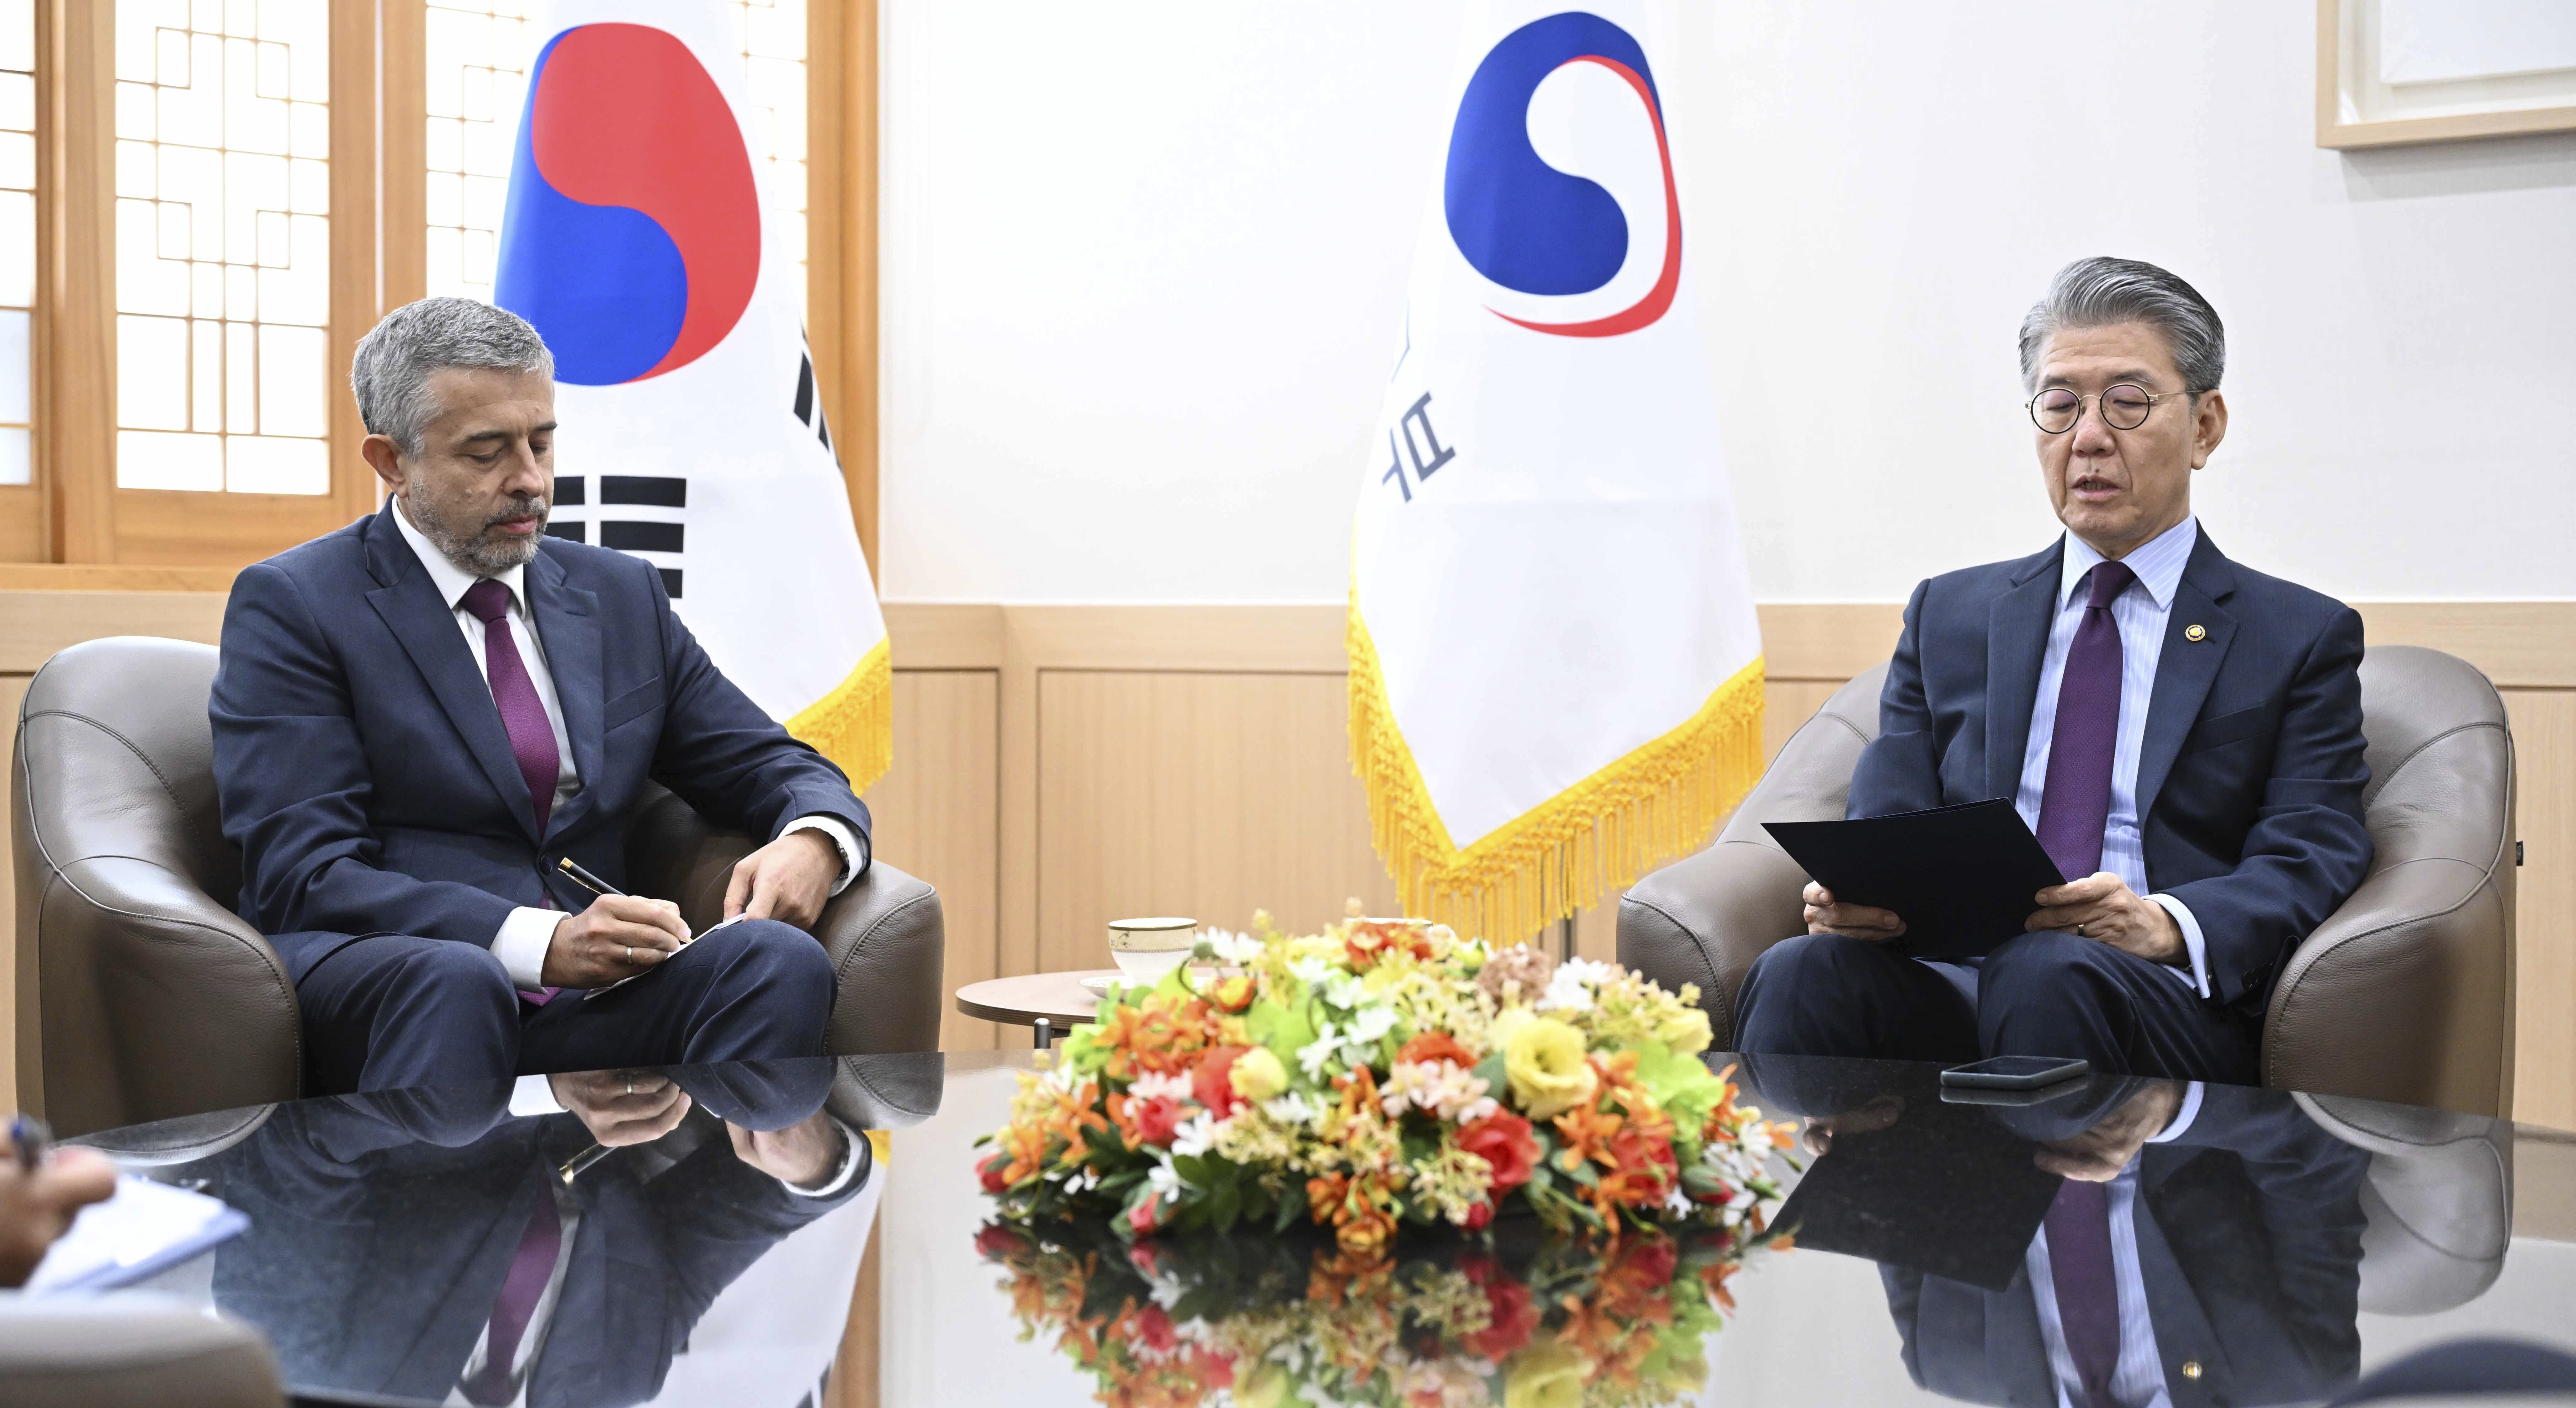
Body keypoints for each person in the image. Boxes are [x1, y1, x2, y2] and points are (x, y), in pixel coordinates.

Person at [1733, 256, 2372, 1085]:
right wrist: (1859, 899)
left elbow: (2309, 850)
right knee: (1799, 972)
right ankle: (1811, 1220)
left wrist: (2164, 923)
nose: (2088, 438)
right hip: (1957, 974)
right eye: (2060, 404)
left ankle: (2041, 1217)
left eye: (2127, 402)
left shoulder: (2293, 635)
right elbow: (1891, 812)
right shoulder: (1948, 616)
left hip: (2156, 995)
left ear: (2205, 426)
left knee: (2044, 971)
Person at [211, 297, 871, 1094]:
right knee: (457, 983)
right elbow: (302, 874)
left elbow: (767, 760)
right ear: (391, 461)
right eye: (486, 453)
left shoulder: (619, 593)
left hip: (597, 993)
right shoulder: (297, 604)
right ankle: (433, 1220)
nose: (529, 481)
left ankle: (712, 1212)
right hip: (407, 979)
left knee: (776, 962)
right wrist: (537, 941)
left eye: (542, 441)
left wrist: (815, 838)